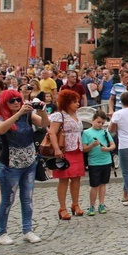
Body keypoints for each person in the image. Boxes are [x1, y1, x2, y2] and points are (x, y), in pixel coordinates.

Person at [0, 89, 49, 244]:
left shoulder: (28, 115)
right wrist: (18, 114)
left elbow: (44, 124)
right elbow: (0, 129)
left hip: (29, 162)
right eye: (12, 101)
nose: (17, 103)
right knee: (7, 199)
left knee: (27, 198)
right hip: (10, 164)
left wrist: (42, 111)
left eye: (18, 100)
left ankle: (27, 229)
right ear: (5, 103)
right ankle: (1, 232)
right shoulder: (1, 116)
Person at [48, 89, 86, 219]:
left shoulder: (77, 115)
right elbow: (52, 133)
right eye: (74, 102)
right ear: (66, 103)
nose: (77, 104)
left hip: (77, 149)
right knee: (63, 179)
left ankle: (75, 204)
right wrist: (57, 149)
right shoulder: (59, 116)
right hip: (65, 150)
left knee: (76, 178)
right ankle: (62, 207)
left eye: (77, 101)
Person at [81, 110, 116, 215]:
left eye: (102, 123)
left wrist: (108, 149)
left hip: (106, 161)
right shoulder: (86, 133)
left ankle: (101, 204)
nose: (100, 124)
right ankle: (92, 205)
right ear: (92, 121)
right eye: (98, 122)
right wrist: (92, 145)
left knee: (103, 184)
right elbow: (84, 149)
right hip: (94, 162)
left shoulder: (105, 132)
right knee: (94, 185)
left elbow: (113, 144)